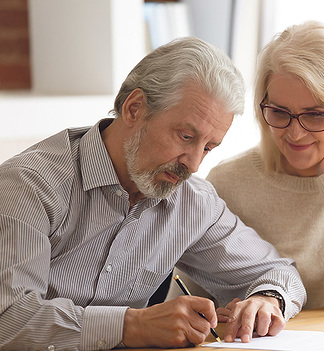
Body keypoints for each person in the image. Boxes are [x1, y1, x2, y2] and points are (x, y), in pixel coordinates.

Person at [0, 37, 306, 350]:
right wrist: (132, 325)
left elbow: (279, 272)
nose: (195, 164)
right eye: (186, 136)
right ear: (134, 109)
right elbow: (8, 320)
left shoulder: (191, 201)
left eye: (209, 147)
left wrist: (267, 300)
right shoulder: (28, 186)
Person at [174, 21, 324, 311]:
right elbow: (192, 303)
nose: (294, 133)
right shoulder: (228, 180)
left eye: (313, 115)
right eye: (279, 112)